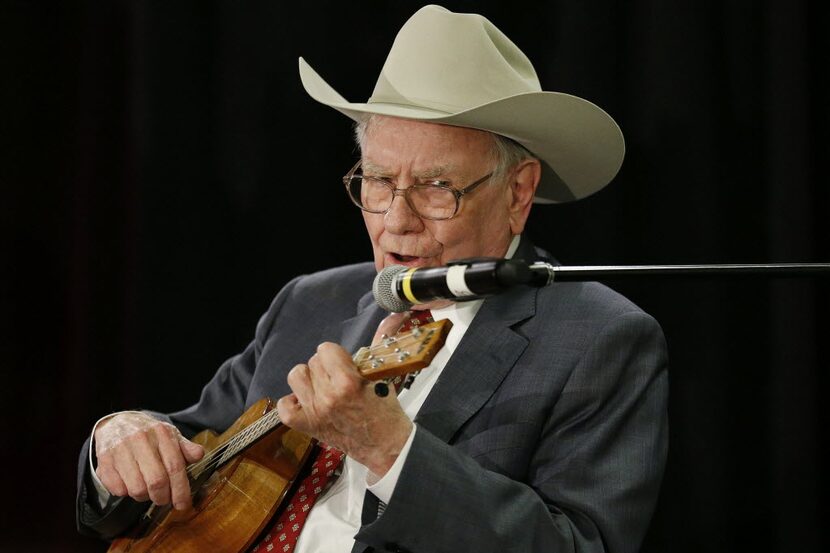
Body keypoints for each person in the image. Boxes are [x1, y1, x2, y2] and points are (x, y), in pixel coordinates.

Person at [76, 5, 668, 553]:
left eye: (438, 188)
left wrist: (390, 448)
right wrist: (122, 433)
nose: (396, 224)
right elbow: (189, 441)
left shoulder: (600, 338)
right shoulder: (312, 300)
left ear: (519, 191)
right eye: (379, 182)